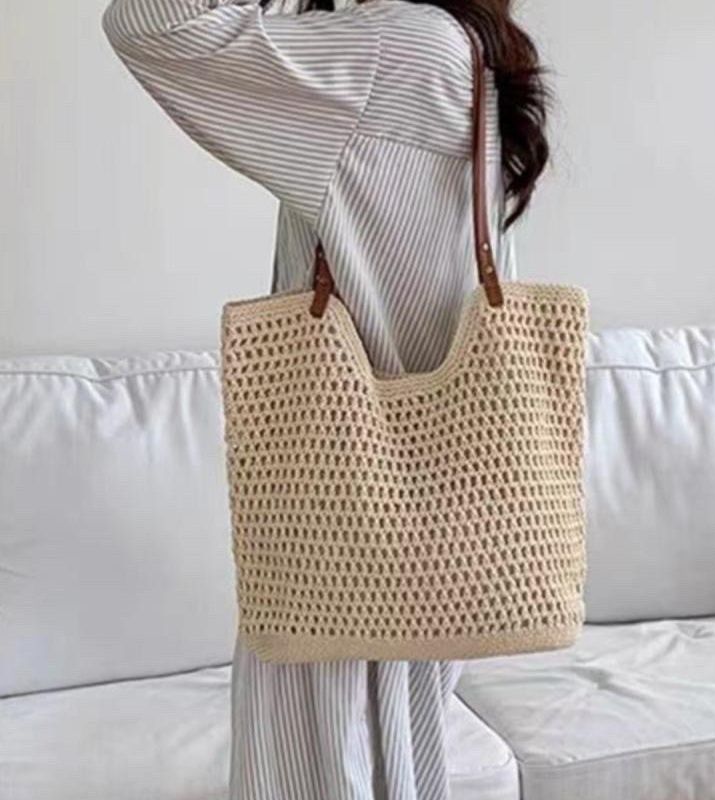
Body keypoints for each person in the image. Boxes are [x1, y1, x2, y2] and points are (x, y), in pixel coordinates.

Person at [101, 0, 551, 796]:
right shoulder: (462, 44)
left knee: (316, 754)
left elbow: (150, 21)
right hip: (426, 509)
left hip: (339, 501)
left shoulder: (390, 47)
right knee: (393, 747)